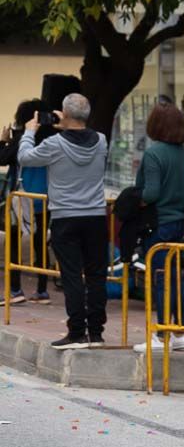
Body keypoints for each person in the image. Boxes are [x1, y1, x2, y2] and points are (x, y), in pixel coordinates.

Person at [17, 93, 108, 349]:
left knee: (71, 275)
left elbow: (25, 157)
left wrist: (29, 132)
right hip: (96, 216)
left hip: (65, 217)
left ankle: (76, 332)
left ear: (65, 115)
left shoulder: (55, 143)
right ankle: (96, 333)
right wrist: (68, 123)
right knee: (96, 276)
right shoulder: (101, 141)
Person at [134, 102, 184, 353]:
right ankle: (179, 331)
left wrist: (136, 199)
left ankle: (160, 334)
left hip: (158, 223)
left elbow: (152, 192)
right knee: (175, 278)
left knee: (159, 278)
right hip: (179, 222)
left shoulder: (154, 153)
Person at [1, 99, 50, 305]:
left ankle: (15, 289)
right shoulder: (51, 140)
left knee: (13, 241)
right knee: (40, 243)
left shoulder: (22, 140)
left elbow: (2, 159)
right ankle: (42, 290)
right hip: (44, 198)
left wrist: (3, 140)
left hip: (20, 199)